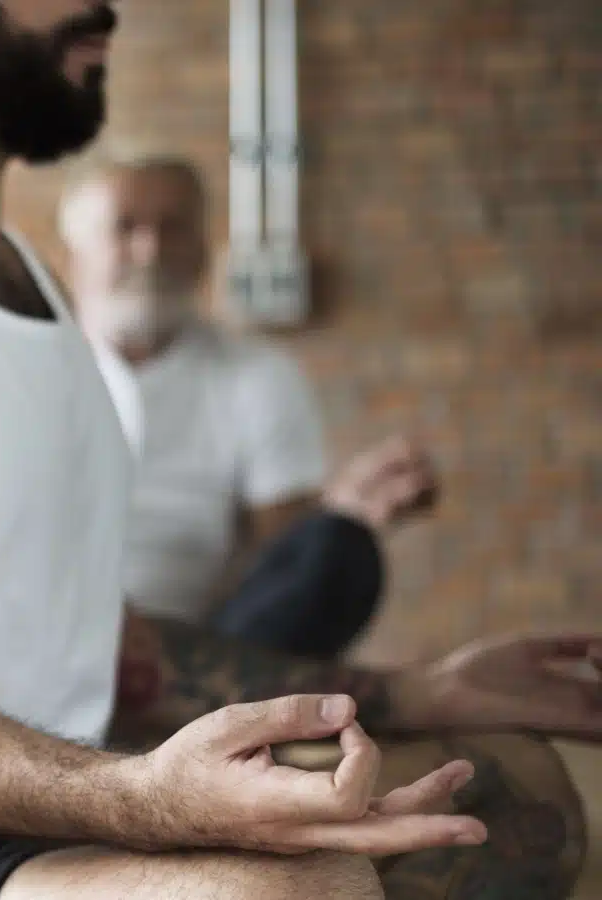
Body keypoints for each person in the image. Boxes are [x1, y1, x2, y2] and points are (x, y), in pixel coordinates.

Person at [0, 2, 598, 899]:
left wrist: (420, 691)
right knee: (302, 890)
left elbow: (103, 643)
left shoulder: (28, 280)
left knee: (519, 795)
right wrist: (148, 798)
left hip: (28, 812)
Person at [58, 150, 439, 658]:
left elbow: (283, 559)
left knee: (337, 548)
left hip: (205, 650)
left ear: (203, 248)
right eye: (124, 228)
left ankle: (208, 697)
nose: (150, 250)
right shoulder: (30, 374)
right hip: (51, 641)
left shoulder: (259, 376)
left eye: (173, 228)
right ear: (76, 249)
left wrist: (340, 512)